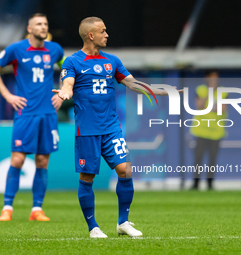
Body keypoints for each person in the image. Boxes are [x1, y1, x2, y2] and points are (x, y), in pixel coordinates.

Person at [53, 17, 179, 238]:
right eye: (103, 31)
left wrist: (160, 91)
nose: (107, 34)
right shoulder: (72, 62)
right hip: (88, 131)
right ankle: (93, 227)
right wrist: (65, 92)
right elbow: (68, 83)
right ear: (91, 35)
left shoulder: (112, 61)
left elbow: (131, 83)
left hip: (111, 127)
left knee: (125, 170)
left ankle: (123, 223)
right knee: (87, 178)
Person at [0, 13, 65, 221]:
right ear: (29, 29)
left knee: (42, 160)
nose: (43, 27)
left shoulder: (55, 50)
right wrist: (7, 95)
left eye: (45, 24)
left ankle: (36, 209)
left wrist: (64, 92)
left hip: (48, 113)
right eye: (38, 24)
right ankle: (7, 208)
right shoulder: (16, 49)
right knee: (18, 159)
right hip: (26, 112)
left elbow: (68, 70)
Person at [190, 70, 227, 190]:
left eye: (215, 78)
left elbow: (222, 108)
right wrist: (210, 94)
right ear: (206, 78)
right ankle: (195, 184)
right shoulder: (200, 89)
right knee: (198, 159)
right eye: (211, 78)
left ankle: (210, 184)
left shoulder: (223, 92)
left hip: (216, 132)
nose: (214, 81)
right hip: (201, 131)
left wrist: (208, 106)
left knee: (212, 160)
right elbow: (199, 104)